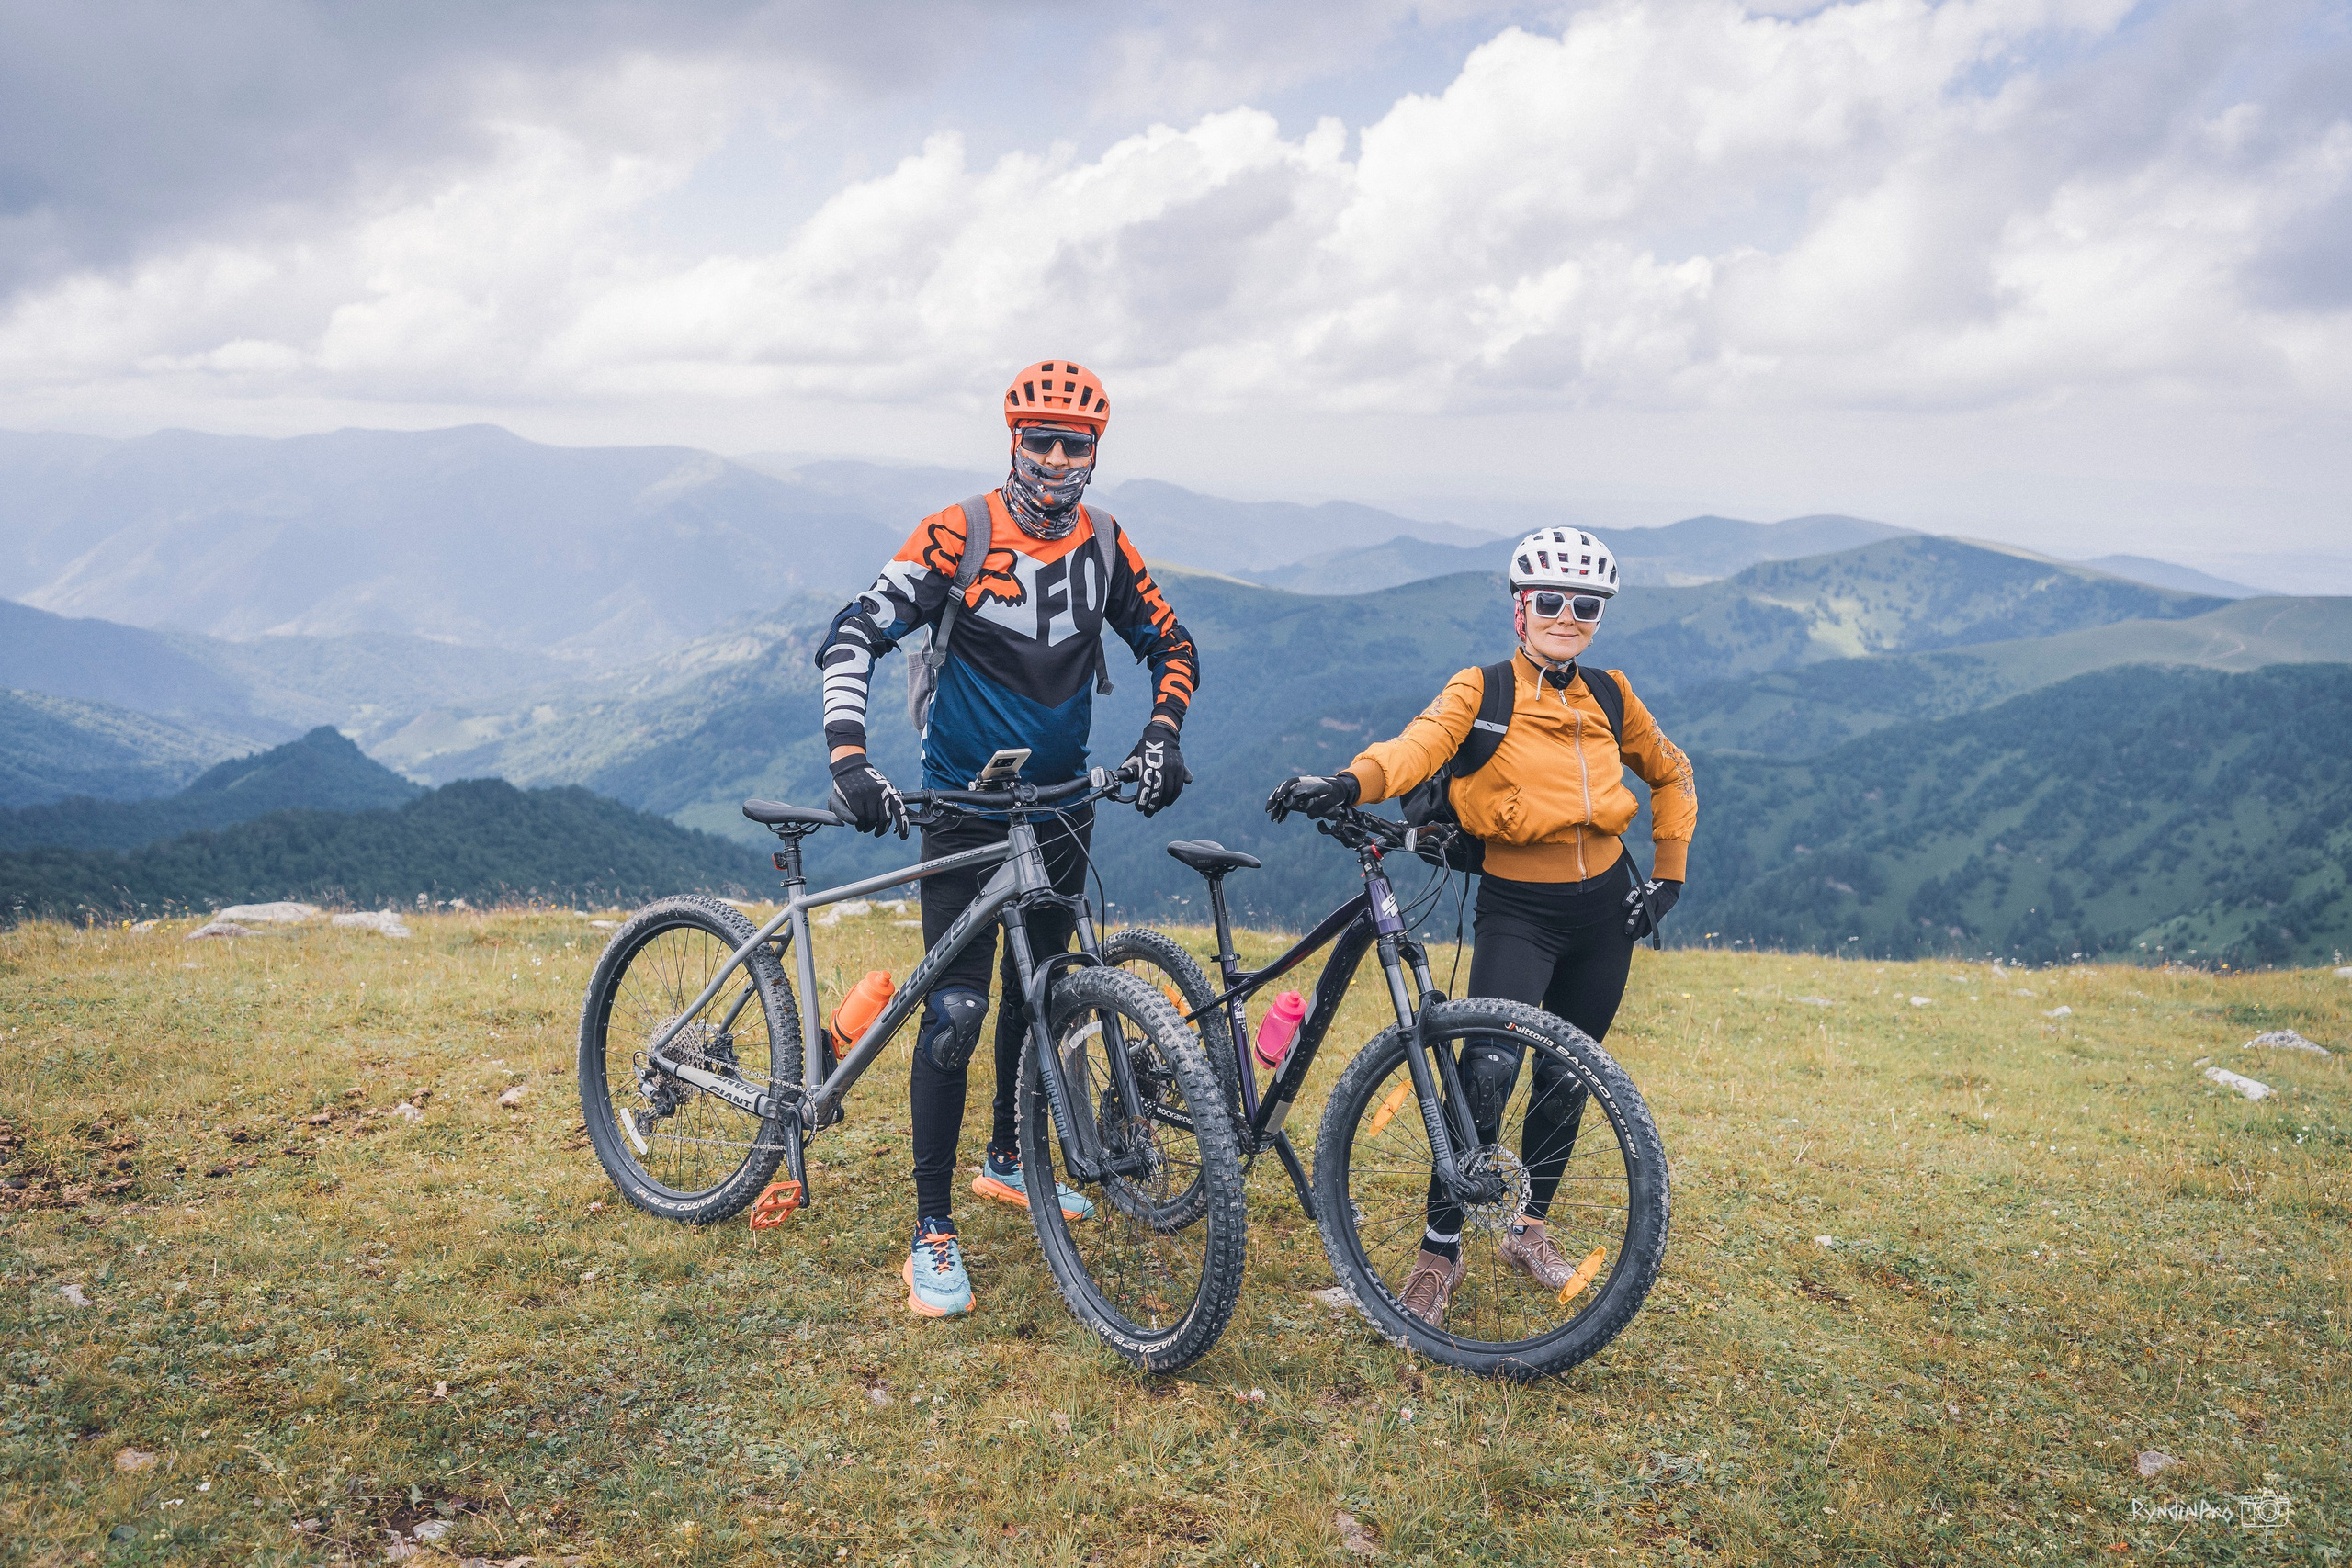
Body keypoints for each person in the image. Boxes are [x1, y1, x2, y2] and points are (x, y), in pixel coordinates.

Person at [814, 359, 1201, 1319]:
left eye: (1077, 444)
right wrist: (849, 758)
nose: (1058, 460)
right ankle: (931, 1229)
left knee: (1045, 998)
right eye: (1041, 441)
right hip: (964, 807)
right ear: (1013, 441)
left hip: (1063, 807)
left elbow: (1172, 645)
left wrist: (1162, 736)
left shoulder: (1105, 542)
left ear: (1095, 451)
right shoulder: (957, 532)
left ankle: (1008, 1158)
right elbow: (854, 632)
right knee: (956, 1013)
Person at [1266, 527, 1695, 1327]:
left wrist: (1666, 877)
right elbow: (1417, 747)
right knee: (1487, 1073)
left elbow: (1672, 771)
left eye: (1586, 606)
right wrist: (1350, 781)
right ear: (1520, 607)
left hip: (1605, 911)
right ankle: (1439, 1253)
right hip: (1519, 910)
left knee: (1569, 1075)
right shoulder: (1483, 689)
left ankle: (1528, 1230)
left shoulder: (1611, 694)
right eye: (1552, 600)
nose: (1567, 617)